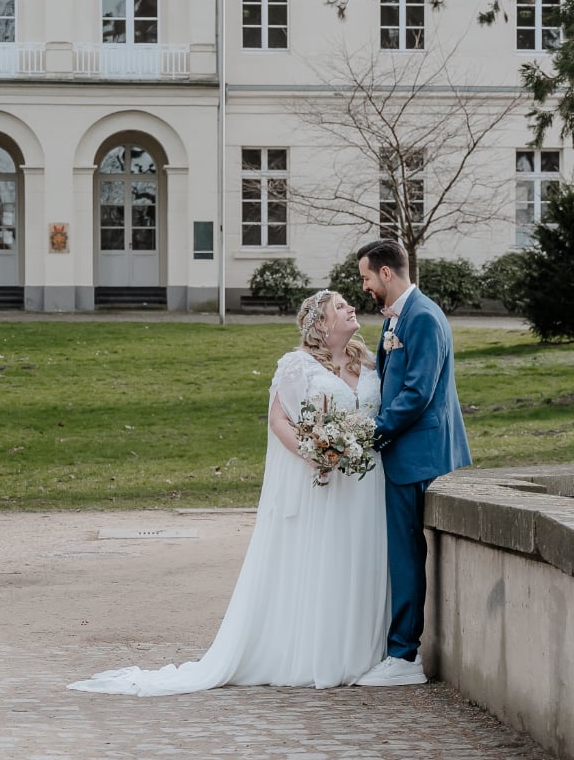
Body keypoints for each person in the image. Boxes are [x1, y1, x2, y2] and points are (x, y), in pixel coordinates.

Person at [66, 289, 388, 695]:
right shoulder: (297, 366)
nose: (351, 308)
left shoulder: (370, 362)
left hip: (365, 482)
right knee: (327, 560)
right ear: (320, 324)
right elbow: (279, 420)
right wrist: (316, 454)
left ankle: (363, 652)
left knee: (360, 559)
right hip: (325, 482)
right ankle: (321, 653)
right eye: (340, 306)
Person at [353, 237, 472, 688]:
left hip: (418, 455)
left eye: (366, 277)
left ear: (386, 273)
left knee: (405, 554)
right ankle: (400, 649)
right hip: (408, 452)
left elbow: (418, 393)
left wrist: (373, 433)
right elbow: (395, 379)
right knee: (402, 553)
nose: (364, 287)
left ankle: (404, 656)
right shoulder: (400, 318)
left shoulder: (422, 318)